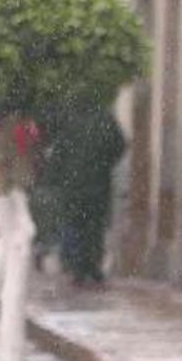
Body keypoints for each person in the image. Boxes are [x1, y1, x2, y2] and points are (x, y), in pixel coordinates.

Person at [40, 99, 126, 287]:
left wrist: (55, 178)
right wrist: (103, 164)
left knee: (75, 225)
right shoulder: (104, 118)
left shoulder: (70, 120)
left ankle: (78, 269)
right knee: (94, 227)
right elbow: (119, 145)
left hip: (72, 186)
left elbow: (58, 154)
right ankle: (92, 267)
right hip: (98, 183)